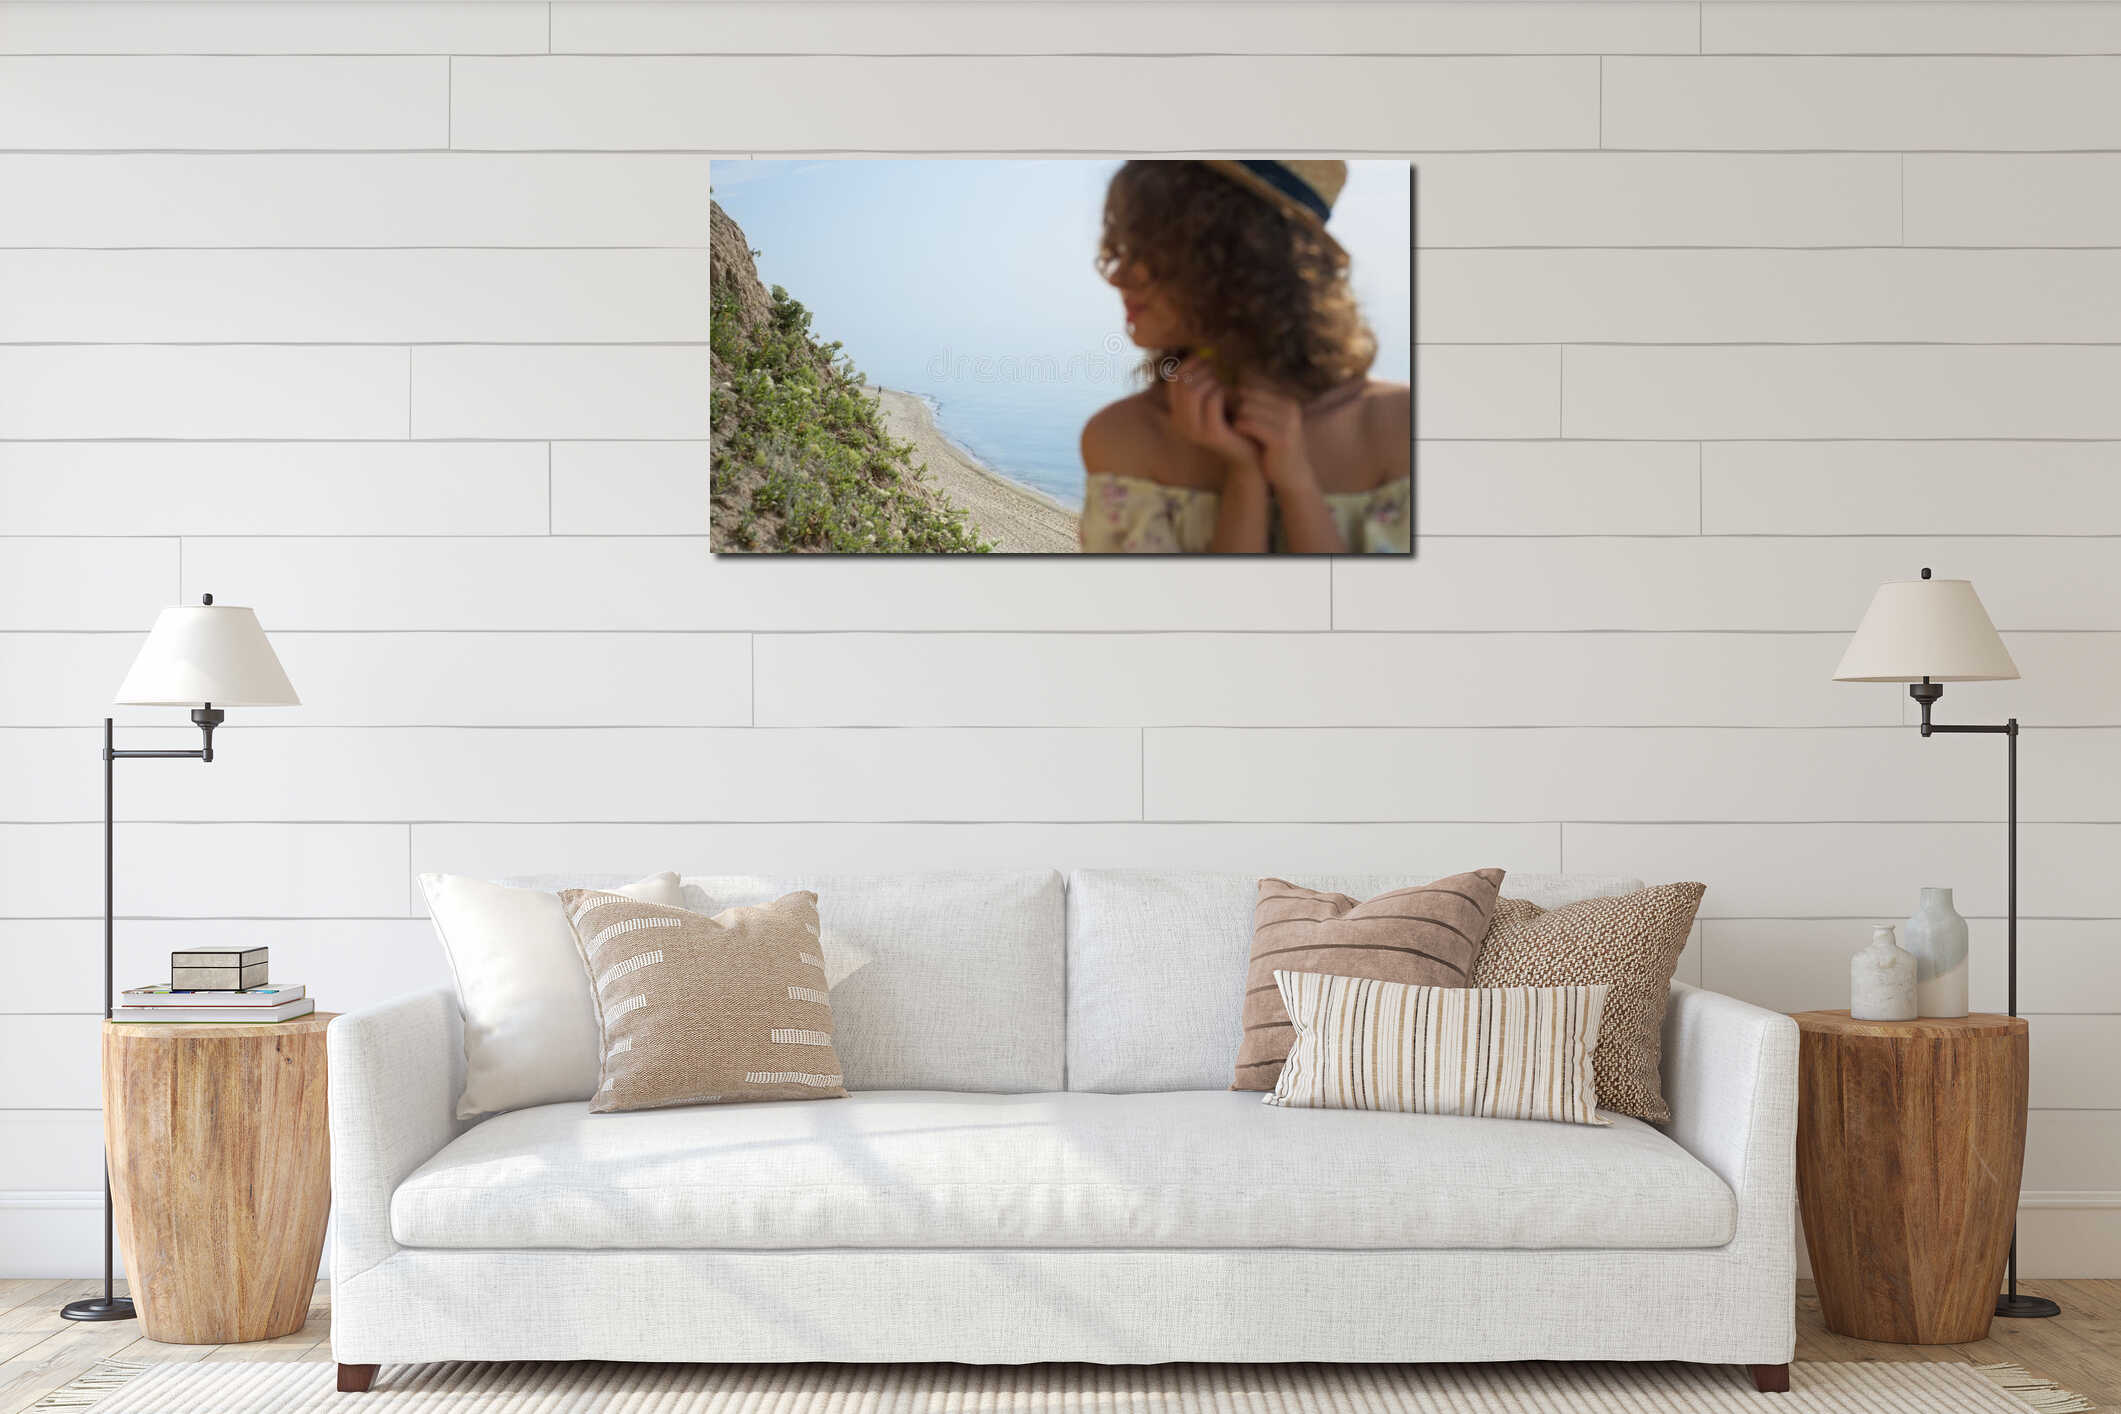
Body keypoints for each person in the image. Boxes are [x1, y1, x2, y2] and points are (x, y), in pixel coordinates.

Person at [1078, 160, 1411, 554]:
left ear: (1244, 257)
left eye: (1149, 249)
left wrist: (1294, 482)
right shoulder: (1118, 438)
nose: (1116, 276)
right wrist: (1246, 477)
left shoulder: (1405, 427)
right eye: (1121, 247)